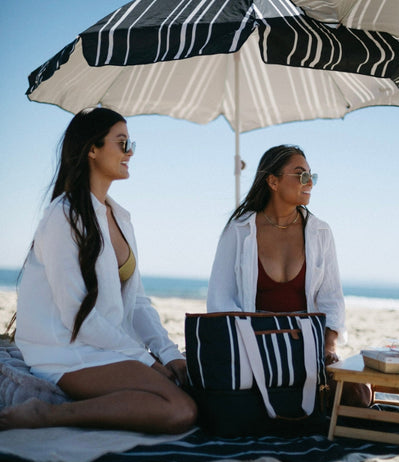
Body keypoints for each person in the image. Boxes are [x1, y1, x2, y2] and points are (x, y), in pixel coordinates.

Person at [0, 108, 197, 433]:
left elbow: (137, 303)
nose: (130, 151)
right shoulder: (63, 217)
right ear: (92, 149)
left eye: (130, 143)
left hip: (106, 345)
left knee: (193, 390)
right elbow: (78, 316)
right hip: (65, 350)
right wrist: (146, 362)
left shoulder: (120, 217)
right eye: (122, 143)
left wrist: (168, 354)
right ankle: (46, 415)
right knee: (179, 410)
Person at [206, 145, 371, 406]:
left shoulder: (320, 232)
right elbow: (220, 301)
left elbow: (331, 299)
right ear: (273, 181)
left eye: (311, 176)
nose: (310, 183)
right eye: (300, 175)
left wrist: (328, 349)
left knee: (359, 395)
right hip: (252, 345)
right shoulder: (239, 231)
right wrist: (250, 347)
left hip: (306, 346)